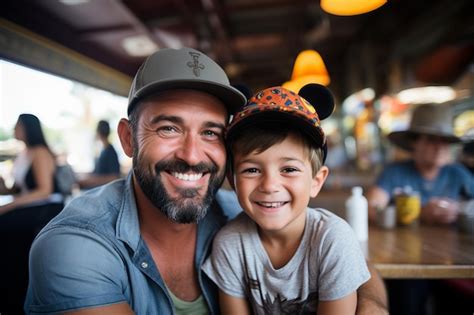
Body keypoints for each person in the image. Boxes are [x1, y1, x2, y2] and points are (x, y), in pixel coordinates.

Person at [25, 47, 388, 314]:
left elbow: (344, 256)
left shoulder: (235, 210)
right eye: (168, 127)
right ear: (128, 139)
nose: (193, 154)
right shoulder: (76, 248)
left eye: (211, 132)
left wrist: (370, 304)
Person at [202, 85, 370, 314]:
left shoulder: (333, 241)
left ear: (316, 181)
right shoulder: (230, 245)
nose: (270, 185)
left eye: (289, 169)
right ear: (232, 181)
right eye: (251, 170)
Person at [366, 103, 474, 315]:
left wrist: (459, 208)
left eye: (445, 141)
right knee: (407, 298)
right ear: (414, 143)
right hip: (405, 261)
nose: (439, 147)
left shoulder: (457, 173)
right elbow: (371, 207)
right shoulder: (395, 172)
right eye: (431, 140)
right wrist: (419, 213)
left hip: (453, 262)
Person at [0, 114, 64, 315]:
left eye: (17, 126)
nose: (13, 130)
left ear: (28, 128)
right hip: (30, 206)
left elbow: (44, 190)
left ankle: (13, 293)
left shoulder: (40, 152)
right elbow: (18, 190)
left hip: (46, 208)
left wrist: (9, 206)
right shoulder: (23, 154)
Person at [77, 120, 121, 189]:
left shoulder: (110, 152)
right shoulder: (104, 150)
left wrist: (91, 181)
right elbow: (99, 172)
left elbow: (114, 177)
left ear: (98, 132)